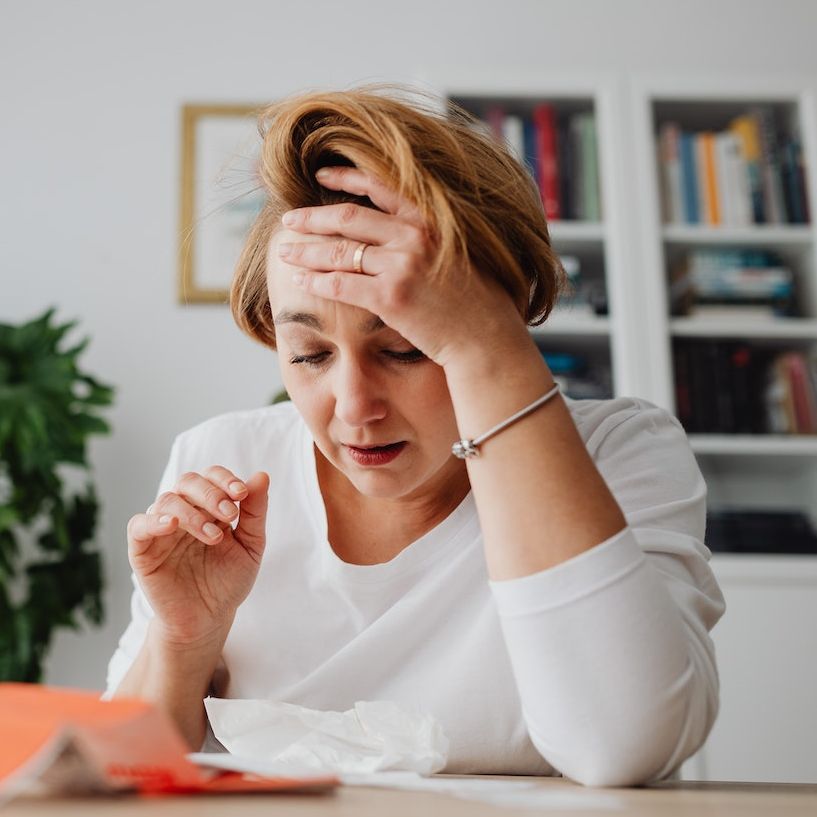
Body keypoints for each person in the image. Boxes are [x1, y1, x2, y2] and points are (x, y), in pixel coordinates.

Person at [105, 85, 725, 787]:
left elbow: (621, 745)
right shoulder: (226, 458)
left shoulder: (619, 451)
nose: (354, 407)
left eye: (404, 348)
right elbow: (121, 773)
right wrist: (184, 639)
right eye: (308, 354)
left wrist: (488, 345)